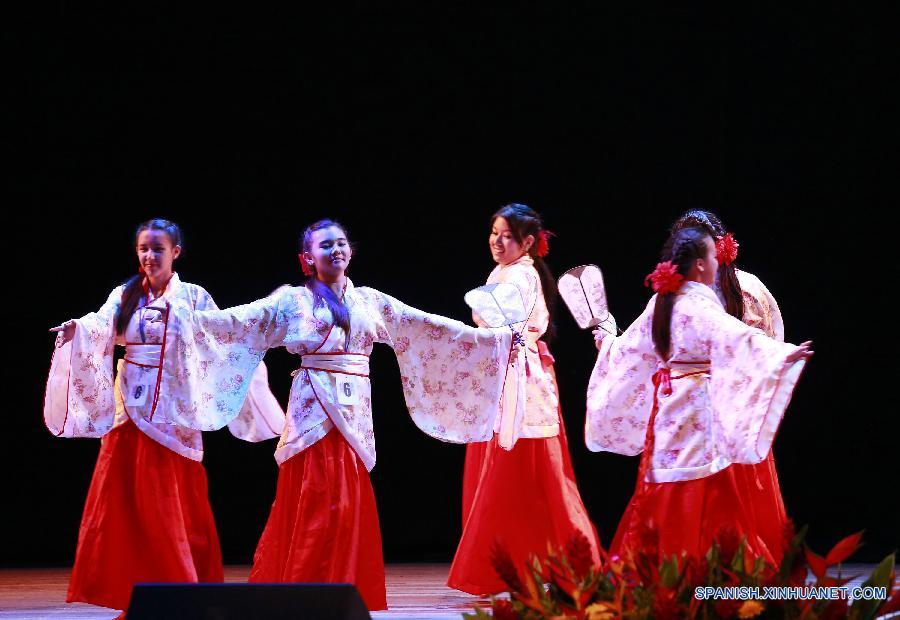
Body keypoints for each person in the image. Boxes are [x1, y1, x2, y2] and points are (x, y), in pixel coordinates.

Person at [136, 219, 516, 611]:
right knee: (314, 500)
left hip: (354, 417)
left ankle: (346, 595)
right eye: (324, 246)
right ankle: (302, 596)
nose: (335, 250)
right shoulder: (291, 301)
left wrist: (493, 340)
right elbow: (236, 322)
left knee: (348, 503)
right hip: (312, 411)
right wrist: (183, 321)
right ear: (307, 258)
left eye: (340, 243)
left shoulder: (369, 300)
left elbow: (426, 326)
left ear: (349, 250)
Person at [45, 218, 283, 613]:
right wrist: (79, 329)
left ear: (176, 252)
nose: (149, 255)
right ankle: (133, 595)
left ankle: (182, 593)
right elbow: (102, 325)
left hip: (175, 413)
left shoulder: (193, 296)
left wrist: (256, 329)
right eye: (143, 248)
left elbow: (221, 335)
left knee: (170, 502)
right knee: (125, 503)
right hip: (131, 411)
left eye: (158, 248)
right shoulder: (124, 295)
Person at [586, 226, 812, 563]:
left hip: (667, 408)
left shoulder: (660, 304)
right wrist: (783, 355)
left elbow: (630, 349)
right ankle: (706, 567)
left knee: (664, 484)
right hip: (697, 410)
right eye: (711, 256)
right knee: (707, 489)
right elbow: (737, 338)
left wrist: (606, 343)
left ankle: (659, 566)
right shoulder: (698, 307)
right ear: (702, 265)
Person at [447, 204, 601, 596]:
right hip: (505, 374)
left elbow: (511, 327)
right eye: (493, 233)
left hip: (522, 380)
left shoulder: (520, 275)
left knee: (535, 476)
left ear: (527, 242)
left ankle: (572, 566)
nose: (497, 242)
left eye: (506, 236)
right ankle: (520, 565)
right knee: (513, 480)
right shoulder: (504, 271)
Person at [669, 209, 790, 562]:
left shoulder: (746, 289)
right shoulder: (676, 295)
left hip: (732, 413)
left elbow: (768, 344)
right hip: (696, 414)